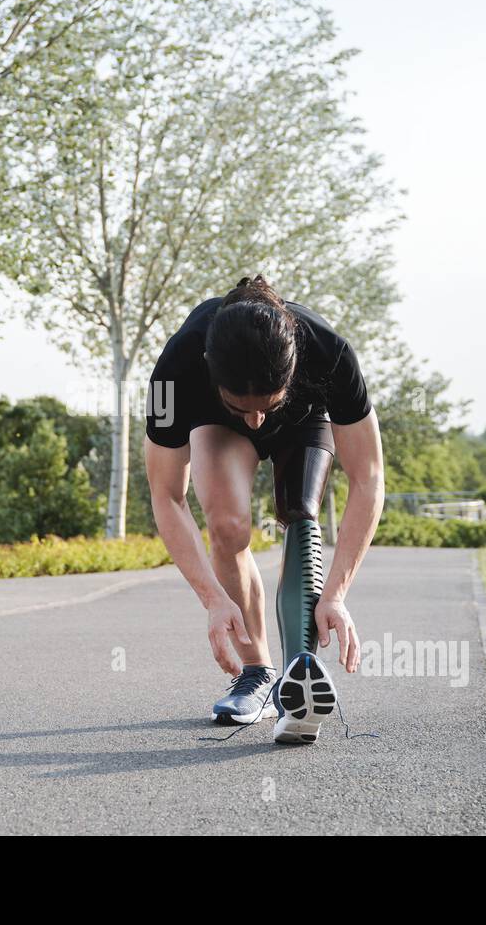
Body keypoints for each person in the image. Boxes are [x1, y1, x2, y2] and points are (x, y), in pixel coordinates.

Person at [143, 274, 385, 743]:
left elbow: (368, 478)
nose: (256, 419)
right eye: (244, 407)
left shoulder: (330, 353)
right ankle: (256, 672)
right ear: (210, 369)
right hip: (215, 425)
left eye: (264, 406)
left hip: (304, 418)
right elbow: (167, 493)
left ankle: (301, 680)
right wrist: (213, 600)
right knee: (228, 525)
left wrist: (335, 594)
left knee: (301, 511)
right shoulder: (174, 370)